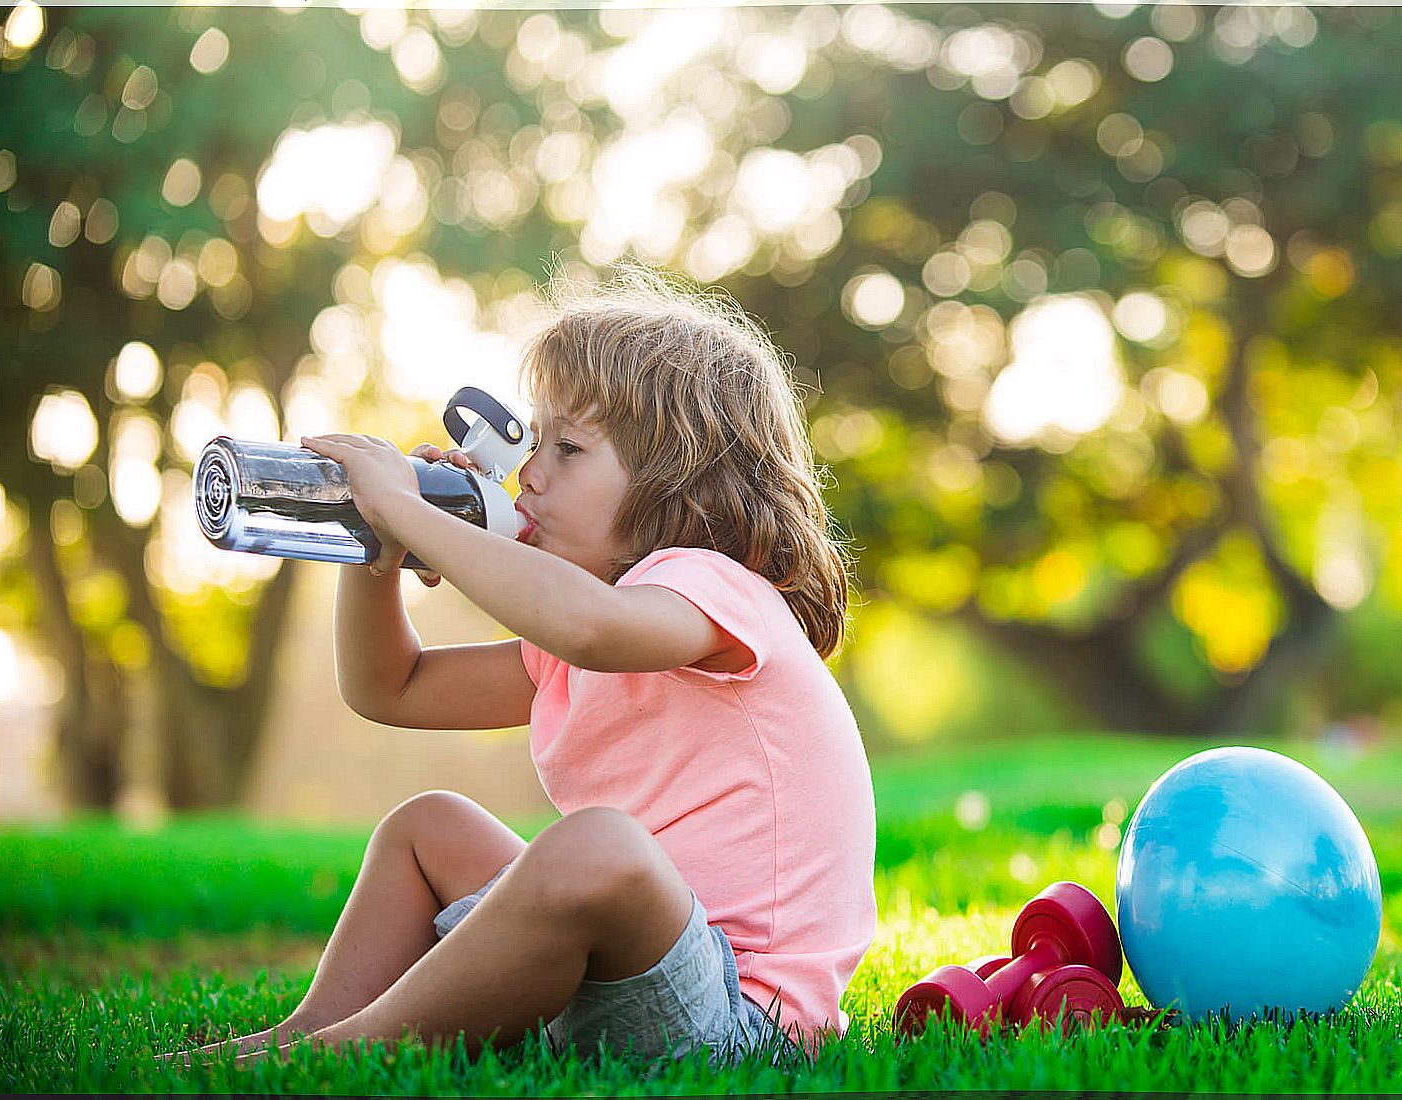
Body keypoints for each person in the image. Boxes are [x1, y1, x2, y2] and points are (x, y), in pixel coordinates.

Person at [161, 265, 877, 1070]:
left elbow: (588, 626)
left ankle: (331, 1060)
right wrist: (379, 548)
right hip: (622, 974)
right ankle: (300, 1037)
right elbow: (387, 690)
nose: (529, 473)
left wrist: (407, 508)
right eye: (534, 441)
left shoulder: (715, 591)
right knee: (429, 826)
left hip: (740, 1019)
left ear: (680, 481)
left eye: (568, 448)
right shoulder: (574, 643)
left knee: (597, 844)